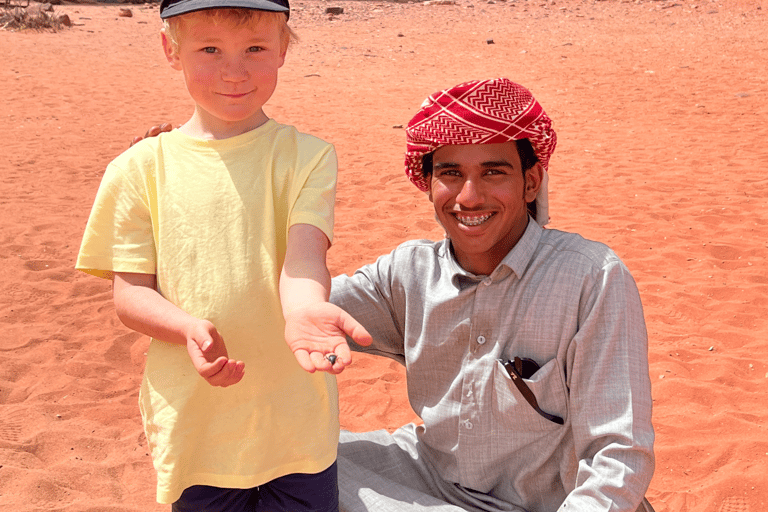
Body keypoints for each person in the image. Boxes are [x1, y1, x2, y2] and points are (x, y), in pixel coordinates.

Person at [75, 0, 371, 510]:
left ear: (283, 49)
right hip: (197, 424)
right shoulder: (139, 168)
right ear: (172, 50)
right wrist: (185, 327)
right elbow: (130, 296)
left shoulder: (307, 156)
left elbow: (303, 258)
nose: (234, 71)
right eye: (209, 48)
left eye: (255, 48)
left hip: (296, 421)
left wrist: (304, 313)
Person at [330, 78, 656, 512]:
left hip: (550, 502)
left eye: (493, 172)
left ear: (531, 181)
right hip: (431, 478)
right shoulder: (408, 273)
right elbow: (296, 311)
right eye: (450, 173)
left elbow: (619, 457)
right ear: (427, 184)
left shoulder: (591, 278)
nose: (469, 196)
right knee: (291, 467)